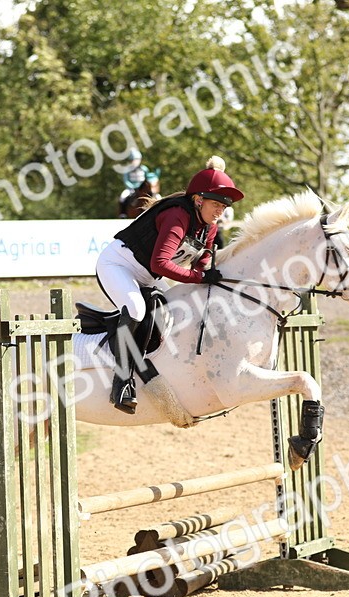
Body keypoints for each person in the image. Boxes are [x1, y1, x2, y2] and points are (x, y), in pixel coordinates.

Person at [96, 155, 243, 413]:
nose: (222, 210)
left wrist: (207, 271)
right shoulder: (177, 215)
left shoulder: (208, 226)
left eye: (225, 205)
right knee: (137, 310)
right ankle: (121, 383)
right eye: (218, 203)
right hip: (118, 264)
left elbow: (200, 263)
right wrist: (199, 277)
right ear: (198, 200)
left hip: (147, 275)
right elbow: (161, 264)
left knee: (175, 310)